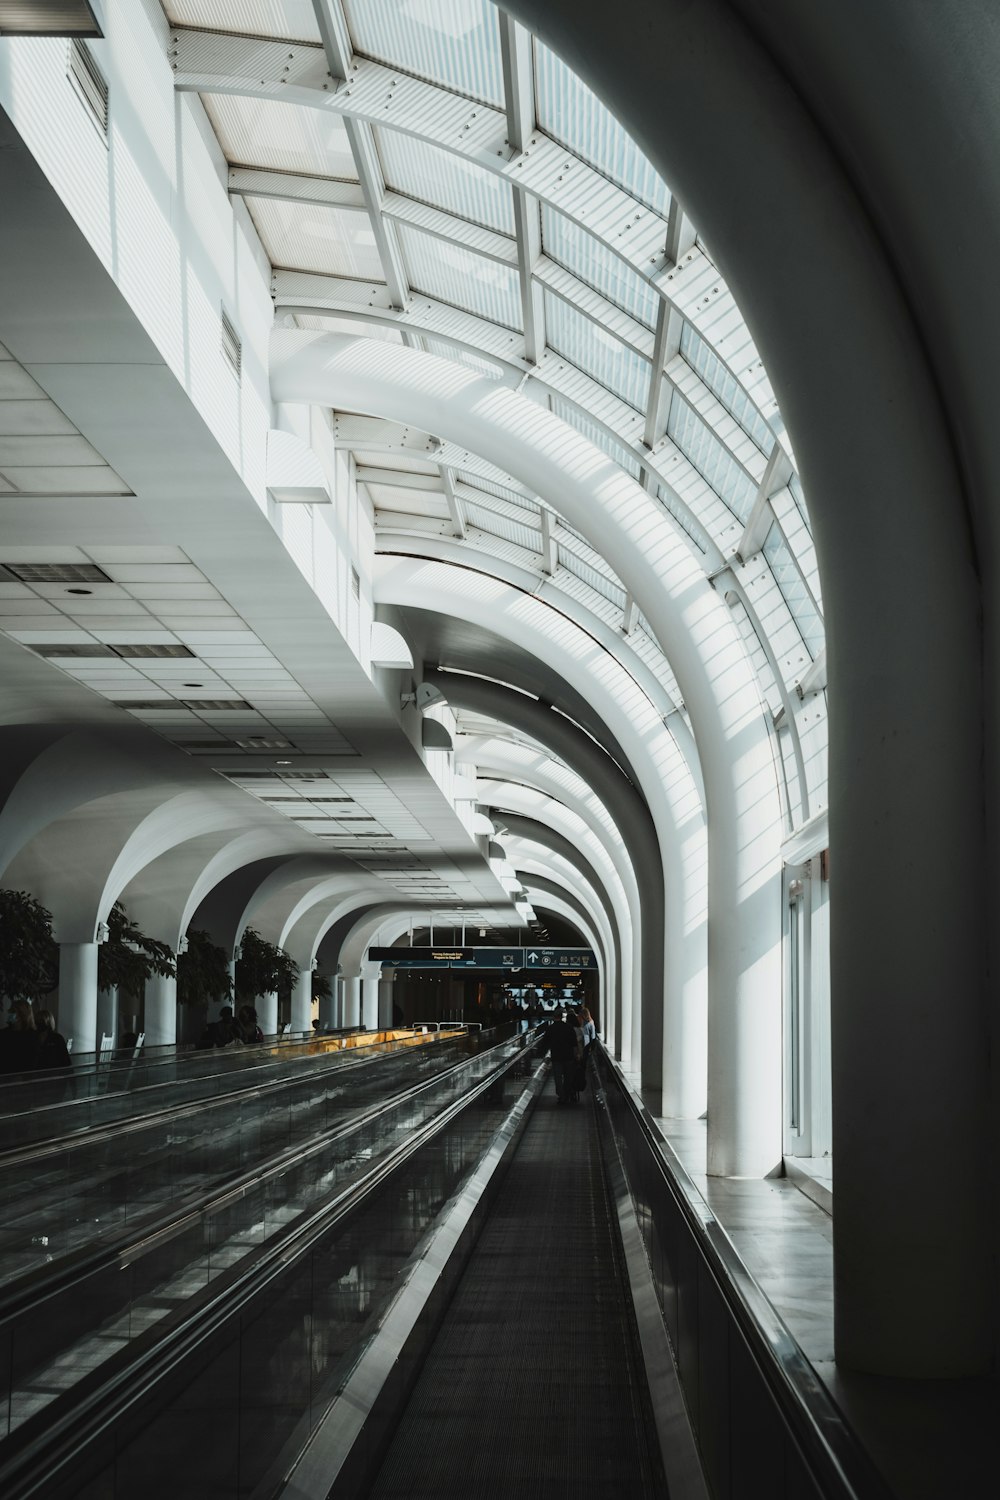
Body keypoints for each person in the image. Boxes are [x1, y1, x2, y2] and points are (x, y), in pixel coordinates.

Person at [540, 1010, 582, 1105]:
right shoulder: (569, 1027)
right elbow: (574, 1043)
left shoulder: (550, 1028)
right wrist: (577, 1055)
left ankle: (561, 1096)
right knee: (568, 1077)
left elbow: (545, 1042)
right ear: (561, 1016)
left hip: (556, 1056)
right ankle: (567, 1094)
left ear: (554, 1017)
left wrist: (541, 1054)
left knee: (558, 1078)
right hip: (568, 1056)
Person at [0, 1000, 41, 1074]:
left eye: (13, 1011)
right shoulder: (3, 1033)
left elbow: (32, 1061)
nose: (9, 1013)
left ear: (22, 1014)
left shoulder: (32, 1036)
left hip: (23, 1079)